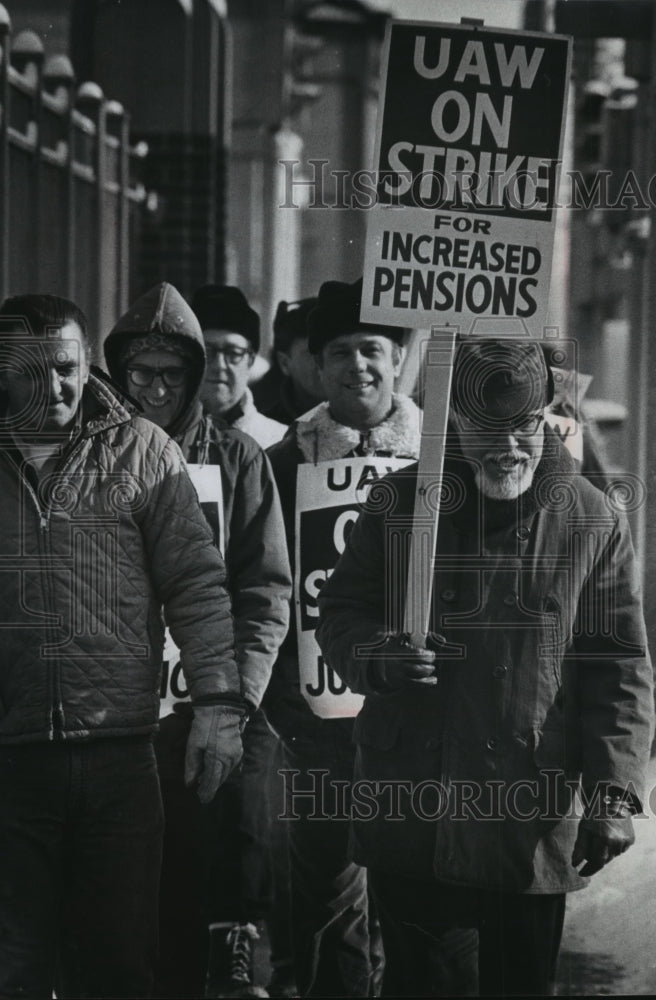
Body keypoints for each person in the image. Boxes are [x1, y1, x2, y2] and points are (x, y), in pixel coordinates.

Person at [316, 338, 655, 997]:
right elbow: (340, 614)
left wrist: (615, 790)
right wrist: (377, 655)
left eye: (523, 425)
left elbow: (618, 665)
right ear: (452, 423)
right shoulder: (400, 503)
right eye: (485, 428)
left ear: (548, 416)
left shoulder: (590, 517)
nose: (507, 446)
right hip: (415, 803)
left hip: (526, 814)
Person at [0, 293, 246, 998]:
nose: (57, 388)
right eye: (34, 369)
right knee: (14, 968)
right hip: (10, 769)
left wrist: (219, 709)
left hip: (119, 760)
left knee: (116, 968)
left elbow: (198, 585)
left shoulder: (142, 448)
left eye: (69, 368)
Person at [103, 282, 291, 999]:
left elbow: (263, 587)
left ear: (192, 378)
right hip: (112, 711)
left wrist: (232, 699)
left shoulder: (237, 459)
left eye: (170, 375)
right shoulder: (90, 454)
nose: (153, 389)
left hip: (197, 709)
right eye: (139, 373)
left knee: (198, 881)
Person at [263, 277, 421, 998]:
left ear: (399, 361)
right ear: (316, 368)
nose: (358, 365)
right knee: (328, 906)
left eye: (372, 350)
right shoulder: (284, 464)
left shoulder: (441, 462)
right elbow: (263, 586)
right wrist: (286, 710)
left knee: (418, 903)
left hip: (419, 722)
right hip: (320, 726)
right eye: (339, 353)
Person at [191, 284, 287, 449]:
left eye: (233, 353)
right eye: (207, 351)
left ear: (250, 360)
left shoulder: (279, 443)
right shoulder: (161, 438)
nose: (219, 365)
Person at [251, 297, 325, 424]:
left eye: (336, 351)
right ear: (284, 363)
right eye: (312, 353)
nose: (325, 361)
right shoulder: (263, 424)